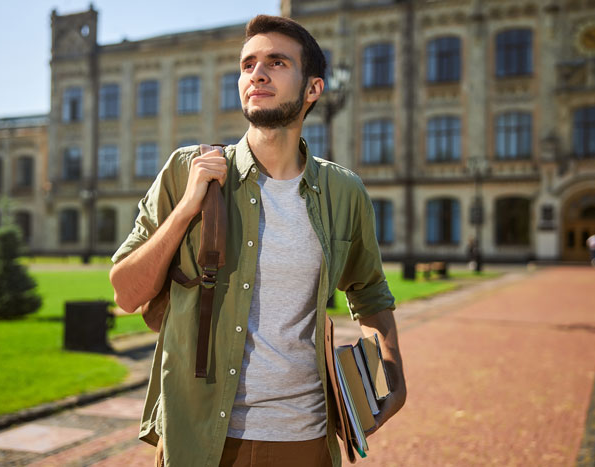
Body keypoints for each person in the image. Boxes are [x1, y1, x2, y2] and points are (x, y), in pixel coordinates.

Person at [109, 15, 406, 467]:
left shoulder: (345, 192)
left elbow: (369, 292)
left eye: (277, 62)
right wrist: (188, 206)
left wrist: (394, 378)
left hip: (305, 439)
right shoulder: (186, 170)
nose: (257, 74)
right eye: (248, 64)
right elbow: (126, 293)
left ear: (313, 89)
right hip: (200, 437)